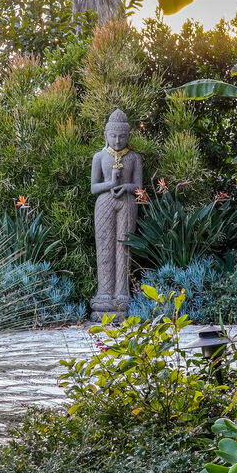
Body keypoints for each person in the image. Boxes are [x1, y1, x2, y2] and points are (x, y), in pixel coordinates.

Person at [90, 109, 143, 318]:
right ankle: (104, 293)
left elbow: (139, 187)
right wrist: (111, 183)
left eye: (122, 136)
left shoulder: (134, 158)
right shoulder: (100, 156)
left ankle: (122, 293)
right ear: (106, 135)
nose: (118, 140)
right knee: (104, 246)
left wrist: (126, 187)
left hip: (127, 202)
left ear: (128, 135)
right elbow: (94, 187)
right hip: (104, 202)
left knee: (124, 246)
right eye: (113, 135)